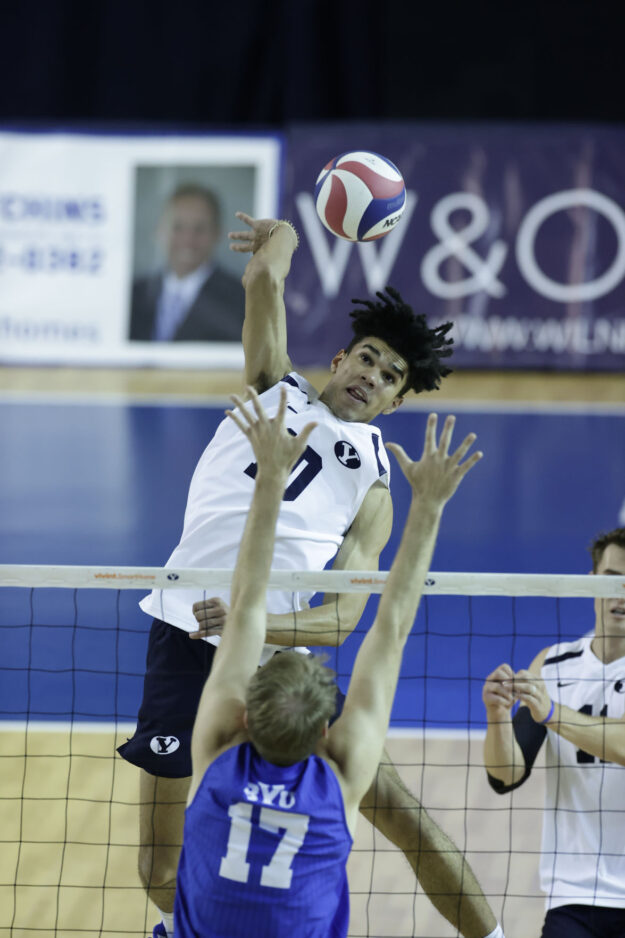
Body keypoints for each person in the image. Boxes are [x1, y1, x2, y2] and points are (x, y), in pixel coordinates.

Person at [119, 212, 498, 938]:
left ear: (394, 401)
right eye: (368, 359)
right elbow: (264, 274)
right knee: (157, 871)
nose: (374, 378)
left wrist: (253, 623)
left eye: (391, 378)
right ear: (340, 357)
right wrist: (286, 231)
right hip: (178, 639)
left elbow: (344, 620)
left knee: (400, 815)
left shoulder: (380, 484)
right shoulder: (272, 387)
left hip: (278, 670)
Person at [173, 388, 501, 938]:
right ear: (327, 730)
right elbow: (390, 628)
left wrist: (270, 480)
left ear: (244, 718)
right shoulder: (341, 780)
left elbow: (247, 601)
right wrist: (429, 507)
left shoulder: (213, 757)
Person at [482, 527, 625, 938]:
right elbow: (505, 776)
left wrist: (552, 712)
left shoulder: (552, 695)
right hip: (573, 894)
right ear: (591, 581)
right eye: (613, 578)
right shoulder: (555, 665)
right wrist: (496, 717)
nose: (621, 592)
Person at [129, 183, 244, 342]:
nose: (188, 239)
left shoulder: (241, 299)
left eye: (200, 229)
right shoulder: (133, 294)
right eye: (177, 227)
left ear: (217, 233)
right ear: (160, 231)